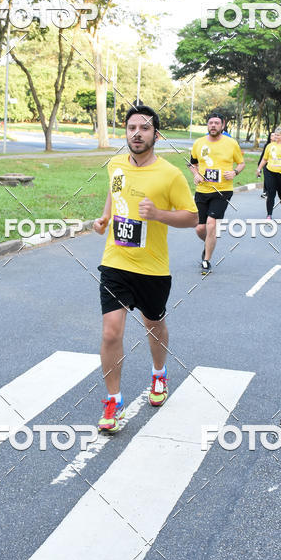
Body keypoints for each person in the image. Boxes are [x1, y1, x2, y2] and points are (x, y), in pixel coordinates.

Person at [93, 105, 198, 432]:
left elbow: (192, 217)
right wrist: (104, 219)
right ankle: (114, 402)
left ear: (156, 134)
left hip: (152, 268)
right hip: (116, 262)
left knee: (154, 326)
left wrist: (158, 215)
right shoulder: (115, 165)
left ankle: (158, 373)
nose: (136, 133)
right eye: (131, 128)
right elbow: (115, 194)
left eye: (144, 128)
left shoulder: (169, 174)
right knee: (111, 331)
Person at [189, 112, 245, 275]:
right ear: (207, 125)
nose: (213, 125)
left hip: (223, 191)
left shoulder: (231, 143)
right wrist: (196, 174)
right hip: (202, 191)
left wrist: (234, 172)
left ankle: (206, 260)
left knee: (211, 223)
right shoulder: (199, 143)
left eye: (216, 123)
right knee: (200, 228)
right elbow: (192, 164)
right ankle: (209, 242)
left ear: (222, 125)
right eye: (211, 123)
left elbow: (241, 163)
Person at [256, 125, 281, 220]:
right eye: (275, 135)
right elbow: (264, 159)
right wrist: (259, 169)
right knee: (271, 193)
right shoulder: (270, 146)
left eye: (278, 135)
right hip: (270, 172)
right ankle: (269, 215)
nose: (276, 137)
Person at [257, 131, 276, 198]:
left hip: (274, 165)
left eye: (275, 135)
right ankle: (265, 192)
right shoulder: (267, 145)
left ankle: (270, 191)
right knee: (266, 178)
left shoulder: (277, 145)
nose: (274, 136)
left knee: (272, 179)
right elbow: (263, 156)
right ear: (270, 137)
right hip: (266, 164)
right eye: (272, 135)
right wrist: (259, 165)